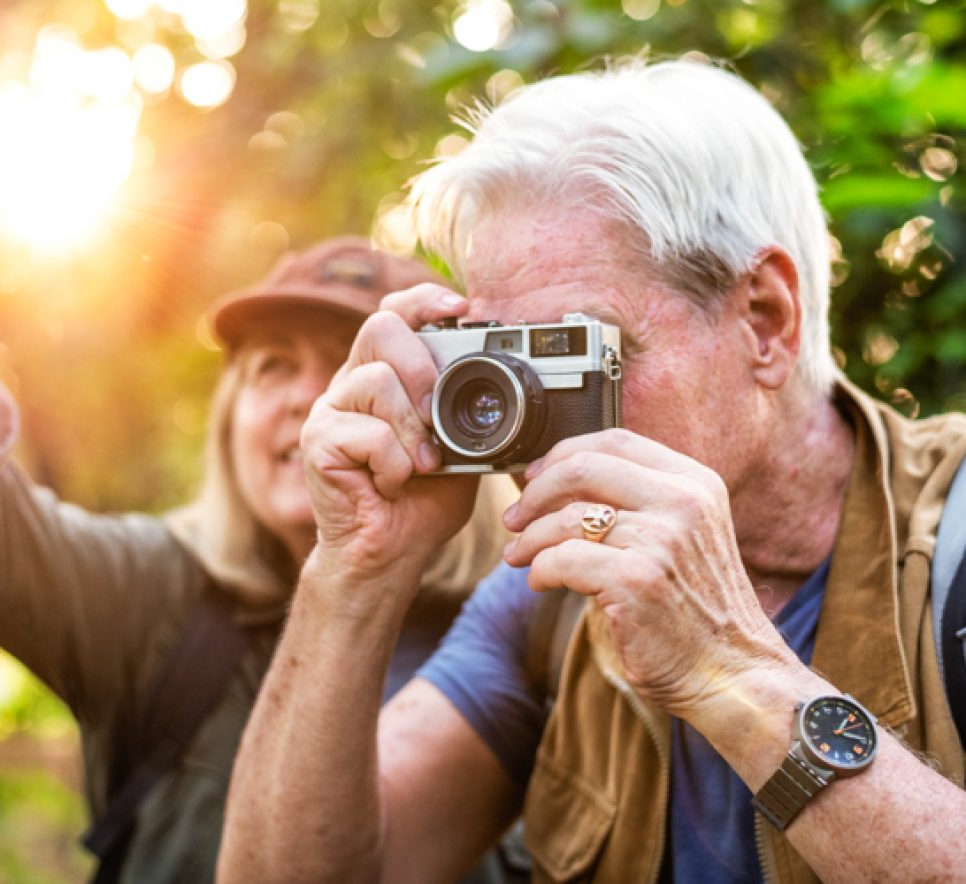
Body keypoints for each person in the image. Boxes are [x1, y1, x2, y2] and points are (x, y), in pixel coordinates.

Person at [218, 56, 966, 883]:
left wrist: (735, 673)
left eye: (583, 357)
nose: (539, 435)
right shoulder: (551, 598)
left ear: (765, 319)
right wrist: (352, 568)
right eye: (506, 360)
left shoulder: (953, 546)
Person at [0, 69, 518, 882]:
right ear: (229, 418)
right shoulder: (153, 600)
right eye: (270, 368)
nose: (305, 400)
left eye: (347, 364)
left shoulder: (517, 634)